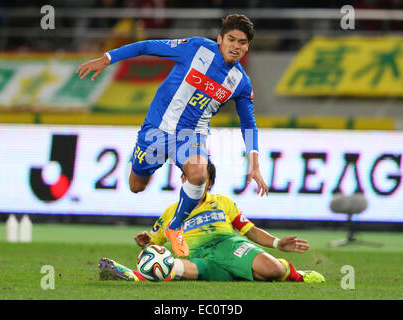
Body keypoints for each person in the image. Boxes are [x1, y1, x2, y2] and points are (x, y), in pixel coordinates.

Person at [77, 14, 269, 257]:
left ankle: (175, 226)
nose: (236, 46)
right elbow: (146, 46)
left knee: (199, 174)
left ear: (247, 46)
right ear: (220, 39)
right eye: (231, 39)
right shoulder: (196, 48)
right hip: (157, 129)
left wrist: (254, 160)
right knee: (136, 186)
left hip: (192, 135)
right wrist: (107, 58)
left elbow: (248, 123)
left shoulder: (241, 82)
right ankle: (135, 163)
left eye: (242, 42)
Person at [98, 162, 325, 284]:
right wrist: (146, 240)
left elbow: (250, 230)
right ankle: (130, 275)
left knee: (271, 271)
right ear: (183, 180)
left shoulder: (224, 203)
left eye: (200, 179)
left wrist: (277, 244)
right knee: (172, 266)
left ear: (209, 183)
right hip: (198, 257)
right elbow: (154, 243)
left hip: (229, 247)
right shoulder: (169, 213)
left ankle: (296, 274)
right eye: (187, 178)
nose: (193, 182)